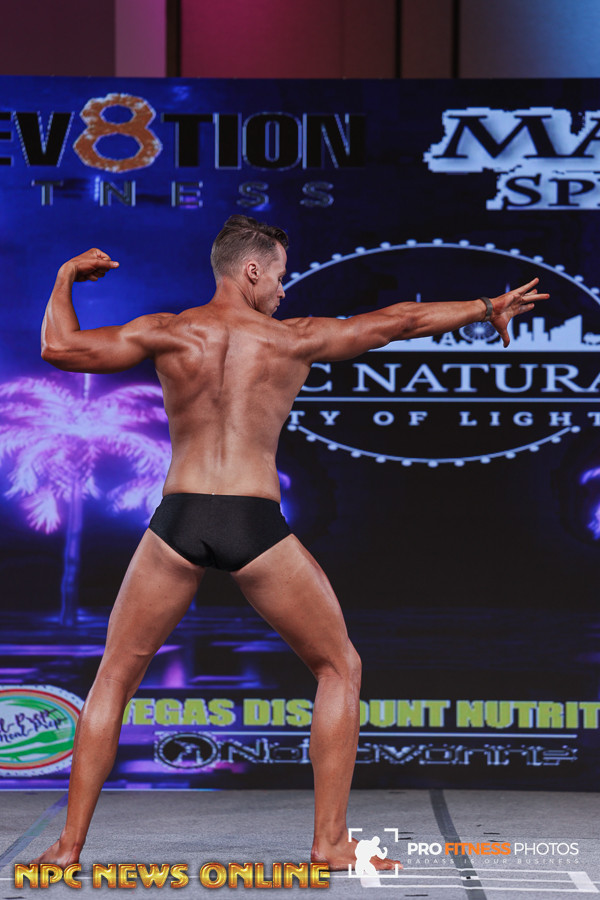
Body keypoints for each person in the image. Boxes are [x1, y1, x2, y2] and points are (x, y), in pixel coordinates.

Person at [33, 215, 548, 871]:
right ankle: (330, 843)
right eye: (279, 275)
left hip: (179, 519)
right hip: (251, 520)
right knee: (339, 668)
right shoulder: (291, 339)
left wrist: (64, 277)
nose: (284, 288)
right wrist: (485, 307)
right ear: (251, 270)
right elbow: (399, 321)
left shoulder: (167, 331)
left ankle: (68, 847)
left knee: (113, 675)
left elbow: (59, 347)